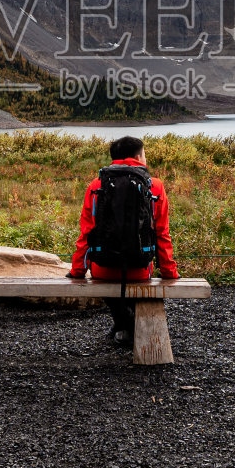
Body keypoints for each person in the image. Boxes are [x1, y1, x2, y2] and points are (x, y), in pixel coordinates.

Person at [67, 135, 179, 346]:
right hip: (140, 270)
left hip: (102, 269)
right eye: (144, 154)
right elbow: (162, 234)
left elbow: (86, 233)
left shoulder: (95, 185)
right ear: (138, 156)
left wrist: (77, 272)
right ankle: (131, 326)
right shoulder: (154, 186)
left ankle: (122, 323)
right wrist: (169, 273)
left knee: (107, 277)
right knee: (138, 280)